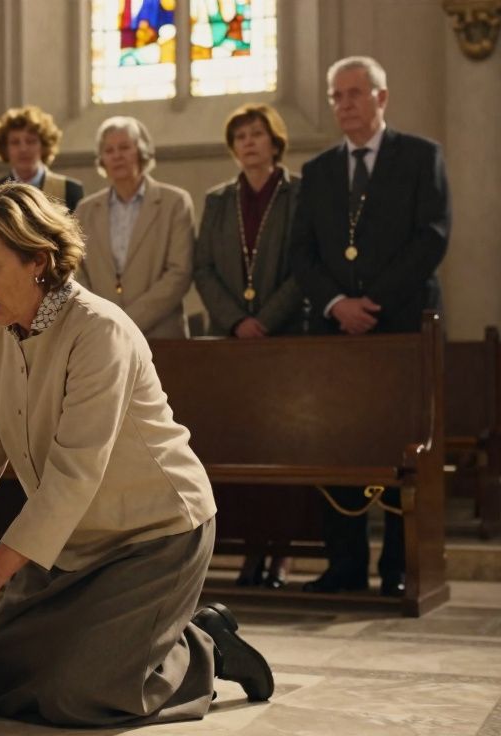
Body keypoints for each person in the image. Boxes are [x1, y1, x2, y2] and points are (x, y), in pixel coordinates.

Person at [0, 183, 272, 727]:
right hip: (67, 541)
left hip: (153, 536)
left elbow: (75, 473)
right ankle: (149, 642)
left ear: (38, 259)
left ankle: (204, 646)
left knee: (75, 695)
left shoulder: (99, 330)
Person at [291, 56, 451, 597]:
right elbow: (303, 254)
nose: (344, 104)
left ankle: (402, 566)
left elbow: (431, 237)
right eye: (336, 96)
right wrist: (338, 303)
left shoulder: (420, 156)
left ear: (382, 98)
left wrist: (372, 302)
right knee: (340, 445)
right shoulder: (317, 173)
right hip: (336, 333)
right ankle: (346, 565)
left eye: (355, 94)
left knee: (401, 444)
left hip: (402, 326)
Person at [193, 104, 305, 590]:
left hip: (285, 343)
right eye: (239, 136)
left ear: (274, 140)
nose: (249, 143)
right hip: (234, 343)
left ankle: (281, 554)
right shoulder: (219, 200)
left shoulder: (298, 192)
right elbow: (203, 269)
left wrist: (266, 318)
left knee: (283, 451)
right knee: (242, 447)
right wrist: (237, 319)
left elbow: (306, 264)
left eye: (257, 134)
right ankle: (248, 552)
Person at [75, 116, 194, 338]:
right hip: (102, 335)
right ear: (101, 159)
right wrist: (105, 319)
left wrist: (127, 321)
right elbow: (77, 273)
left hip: (161, 335)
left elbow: (179, 273)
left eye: (124, 147)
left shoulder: (175, 202)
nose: (117, 155)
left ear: (142, 151)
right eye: (109, 150)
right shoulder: (86, 210)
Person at [0, 105, 84, 212]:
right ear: (5, 148)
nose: (23, 149)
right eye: (15, 142)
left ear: (44, 146)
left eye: (31, 141)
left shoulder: (69, 189)